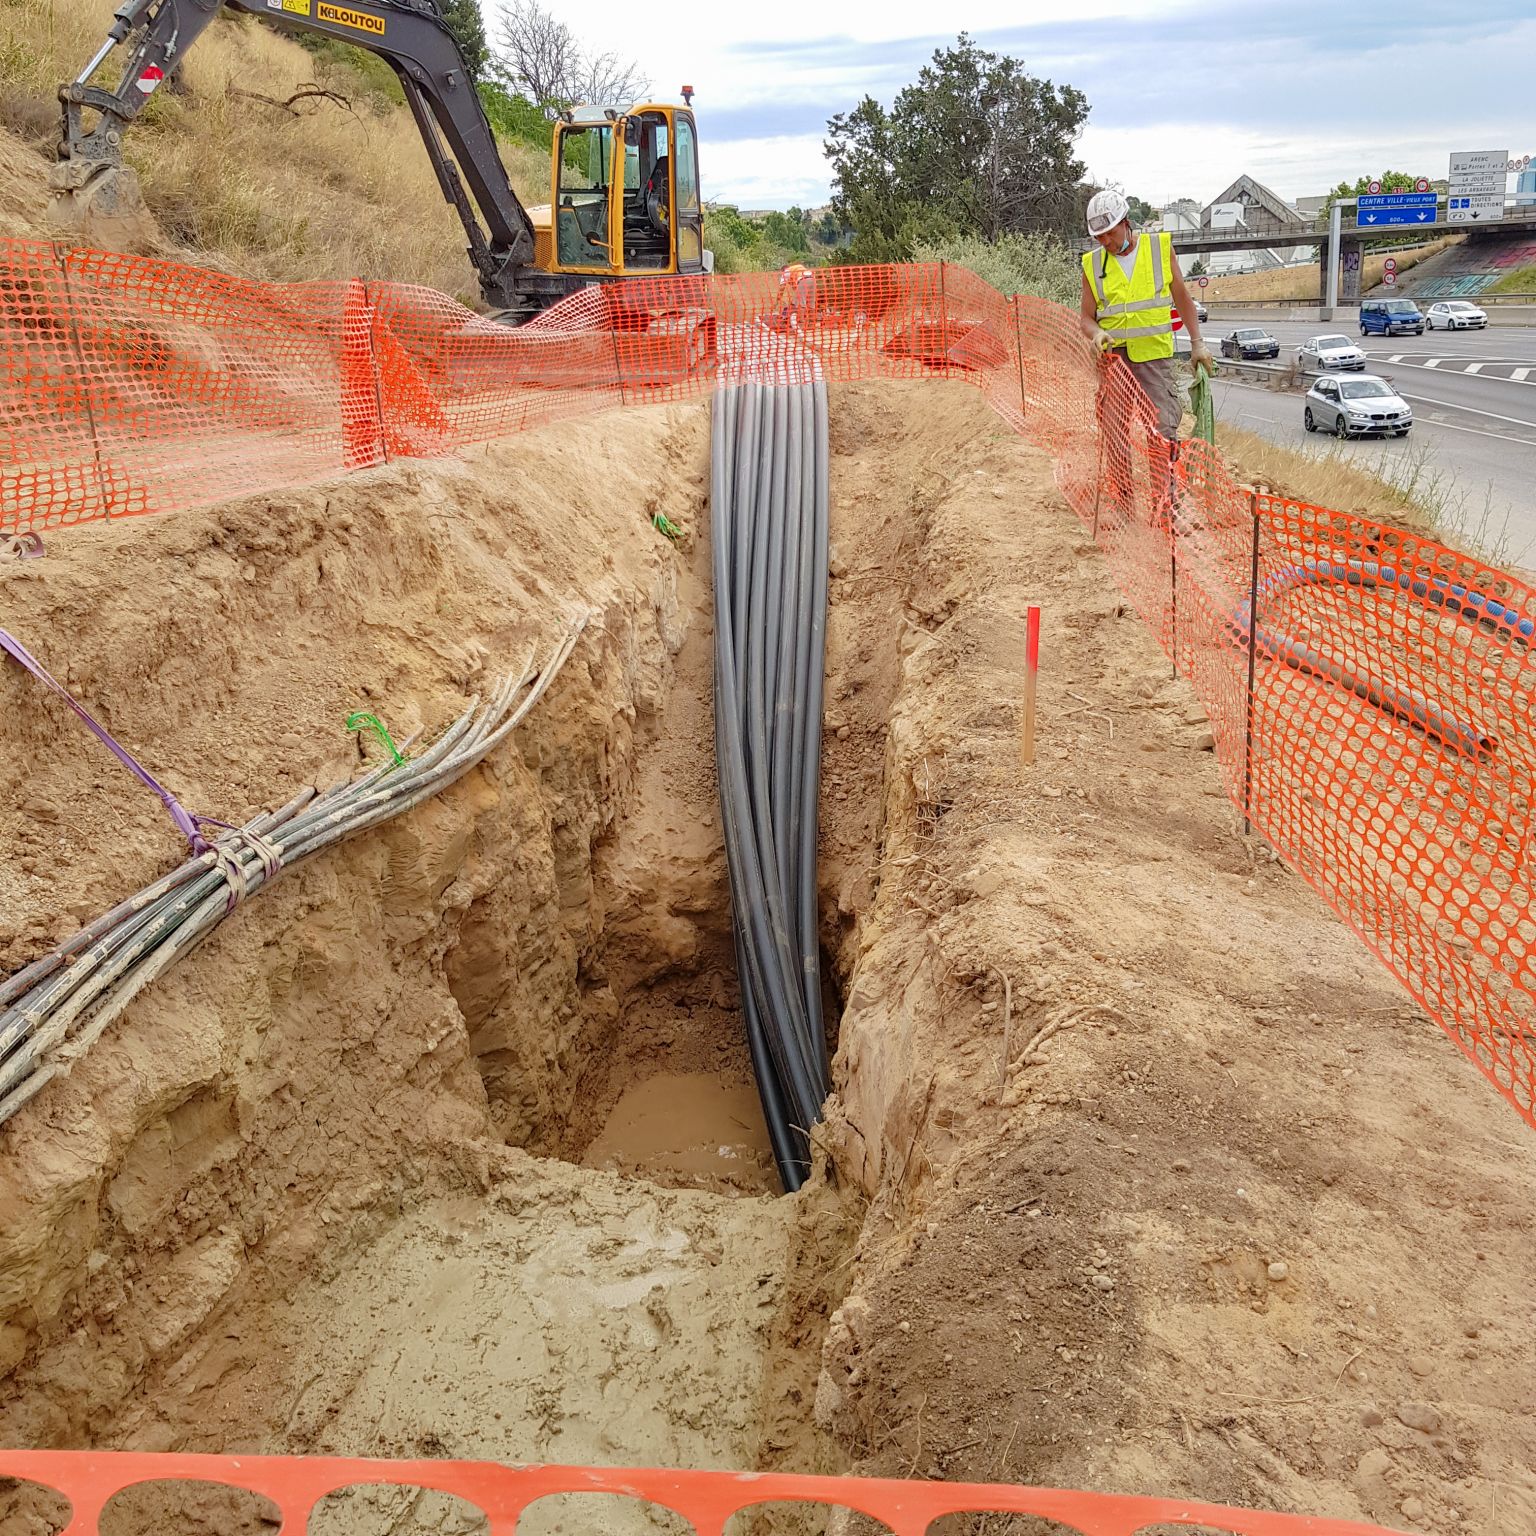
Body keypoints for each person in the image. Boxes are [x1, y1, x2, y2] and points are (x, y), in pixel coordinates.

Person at [1078, 189, 1213, 441]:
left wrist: (1197, 343)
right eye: (1099, 236)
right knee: (1115, 434)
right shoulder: (1092, 264)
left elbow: (1183, 299)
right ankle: (1121, 483)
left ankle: (1164, 483)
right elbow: (1086, 318)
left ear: (1125, 223)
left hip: (1155, 359)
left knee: (1161, 433)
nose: (1105, 241)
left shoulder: (1159, 249)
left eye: (1110, 233)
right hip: (1114, 361)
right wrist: (1096, 333)